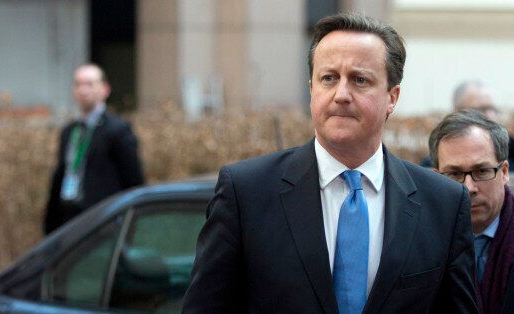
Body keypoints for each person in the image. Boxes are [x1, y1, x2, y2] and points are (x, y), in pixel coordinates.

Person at [183, 13, 478, 313]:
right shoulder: (246, 194)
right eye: (329, 78)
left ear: (392, 97)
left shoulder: (444, 204)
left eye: (359, 80)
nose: (341, 95)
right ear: (312, 90)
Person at [428, 109, 514, 314]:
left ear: (504, 172)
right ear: (435, 178)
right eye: (454, 173)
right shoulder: (417, 245)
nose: (469, 187)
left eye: (481, 171)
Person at [43, 64, 144, 234]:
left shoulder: (117, 130)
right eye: (78, 84)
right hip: (69, 217)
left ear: (104, 89)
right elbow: (61, 175)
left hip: (103, 221)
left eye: (89, 84)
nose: (83, 90)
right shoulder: (70, 131)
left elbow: (133, 179)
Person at [421, 80, 514, 171]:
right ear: (457, 111)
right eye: (481, 109)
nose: (490, 115)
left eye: (493, 109)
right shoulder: (433, 163)